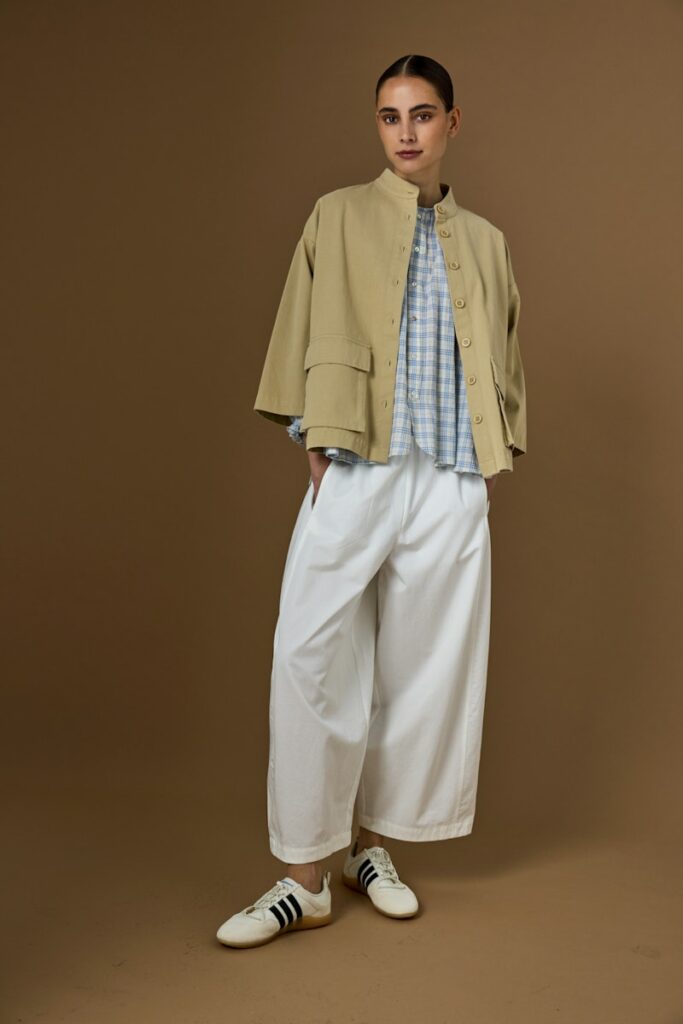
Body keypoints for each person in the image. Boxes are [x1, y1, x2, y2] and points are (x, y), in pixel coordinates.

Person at [216, 54, 527, 949]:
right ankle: (302, 878)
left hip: (449, 475)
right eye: (390, 116)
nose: (405, 132)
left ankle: (369, 847)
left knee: (422, 670)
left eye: (421, 115)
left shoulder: (488, 242)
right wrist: (309, 433)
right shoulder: (336, 215)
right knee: (309, 653)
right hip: (356, 460)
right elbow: (297, 323)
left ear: (451, 123)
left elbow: (506, 355)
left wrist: (491, 457)